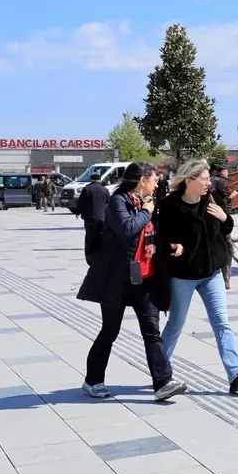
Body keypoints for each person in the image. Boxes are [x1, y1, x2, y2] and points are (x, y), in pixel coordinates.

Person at [77, 162, 186, 402]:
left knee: (152, 332)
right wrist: (146, 211)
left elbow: (150, 234)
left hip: (143, 280)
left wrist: (170, 245)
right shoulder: (118, 202)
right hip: (116, 280)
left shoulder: (147, 204)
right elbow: (127, 229)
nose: (157, 183)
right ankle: (92, 381)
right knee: (109, 331)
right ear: (141, 180)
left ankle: (163, 383)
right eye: (154, 179)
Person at [157, 159, 238, 395]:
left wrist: (225, 218)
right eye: (204, 179)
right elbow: (164, 238)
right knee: (175, 324)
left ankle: (236, 375)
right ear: (189, 180)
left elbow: (224, 230)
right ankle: (160, 371)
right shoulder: (169, 205)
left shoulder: (211, 201)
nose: (208, 183)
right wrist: (175, 247)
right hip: (184, 274)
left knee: (222, 323)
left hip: (211, 272)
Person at [208, 163, 234, 288]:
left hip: (209, 215)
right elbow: (228, 194)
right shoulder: (223, 181)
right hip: (222, 214)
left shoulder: (203, 183)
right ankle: (226, 277)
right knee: (227, 247)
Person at [76, 173, 110, 267]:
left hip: (89, 218)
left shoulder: (87, 189)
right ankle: (100, 256)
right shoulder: (105, 190)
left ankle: (90, 258)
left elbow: (81, 203)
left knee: (90, 238)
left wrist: (77, 212)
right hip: (102, 218)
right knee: (101, 237)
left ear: (91, 179)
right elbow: (108, 203)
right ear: (99, 179)